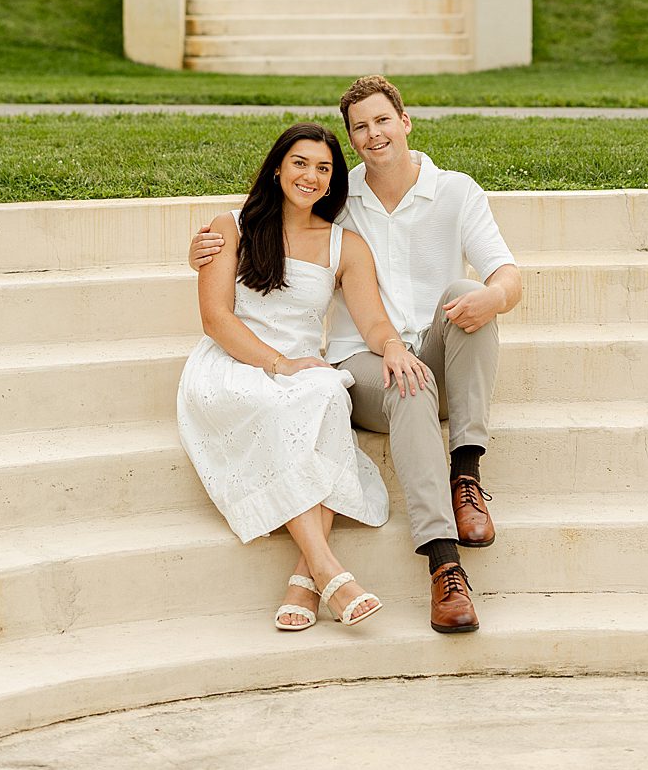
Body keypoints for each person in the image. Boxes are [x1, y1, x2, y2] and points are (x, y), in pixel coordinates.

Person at [189, 75, 524, 634]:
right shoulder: (339, 200)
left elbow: (504, 274)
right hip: (353, 366)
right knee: (406, 382)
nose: (373, 134)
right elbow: (258, 239)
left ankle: (466, 475)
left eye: (382, 120)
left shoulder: (454, 192)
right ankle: (444, 566)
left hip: (417, 353)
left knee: (469, 294)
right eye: (360, 127)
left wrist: (495, 296)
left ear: (405, 121)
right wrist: (201, 252)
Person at [176, 121, 432, 630]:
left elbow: (373, 321)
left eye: (324, 168)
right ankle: (325, 568)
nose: (310, 176)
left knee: (329, 395)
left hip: (302, 367)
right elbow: (215, 319)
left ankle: (306, 576)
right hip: (232, 364)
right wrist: (280, 364)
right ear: (277, 168)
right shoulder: (231, 227)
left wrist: (392, 348)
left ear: (334, 180)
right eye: (300, 163)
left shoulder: (345, 245)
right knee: (284, 402)